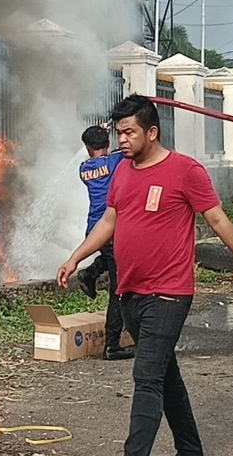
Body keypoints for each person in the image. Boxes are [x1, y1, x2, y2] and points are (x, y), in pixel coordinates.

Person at [57, 94, 233, 456]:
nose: (121, 140)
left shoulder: (186, 171)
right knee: (164, 372)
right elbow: (110, 221)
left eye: (129, 133)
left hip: (169, 292)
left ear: (152, 132)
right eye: (119, 133)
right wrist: (76, 257)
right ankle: (190, 449)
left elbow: (216, 219)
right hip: (130, 291)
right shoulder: (121, 170)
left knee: (146, 377)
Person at [75, 124, 134, 360]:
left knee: (109, 259)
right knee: (118, 289)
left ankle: (90, 273)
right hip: (111, 229)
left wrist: (100, 133)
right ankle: (112, 346)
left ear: (87, 147)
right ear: (108, 144)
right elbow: (128, 148)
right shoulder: (114, 161)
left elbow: (97, 152)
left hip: (94, 230)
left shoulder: (83, 168)